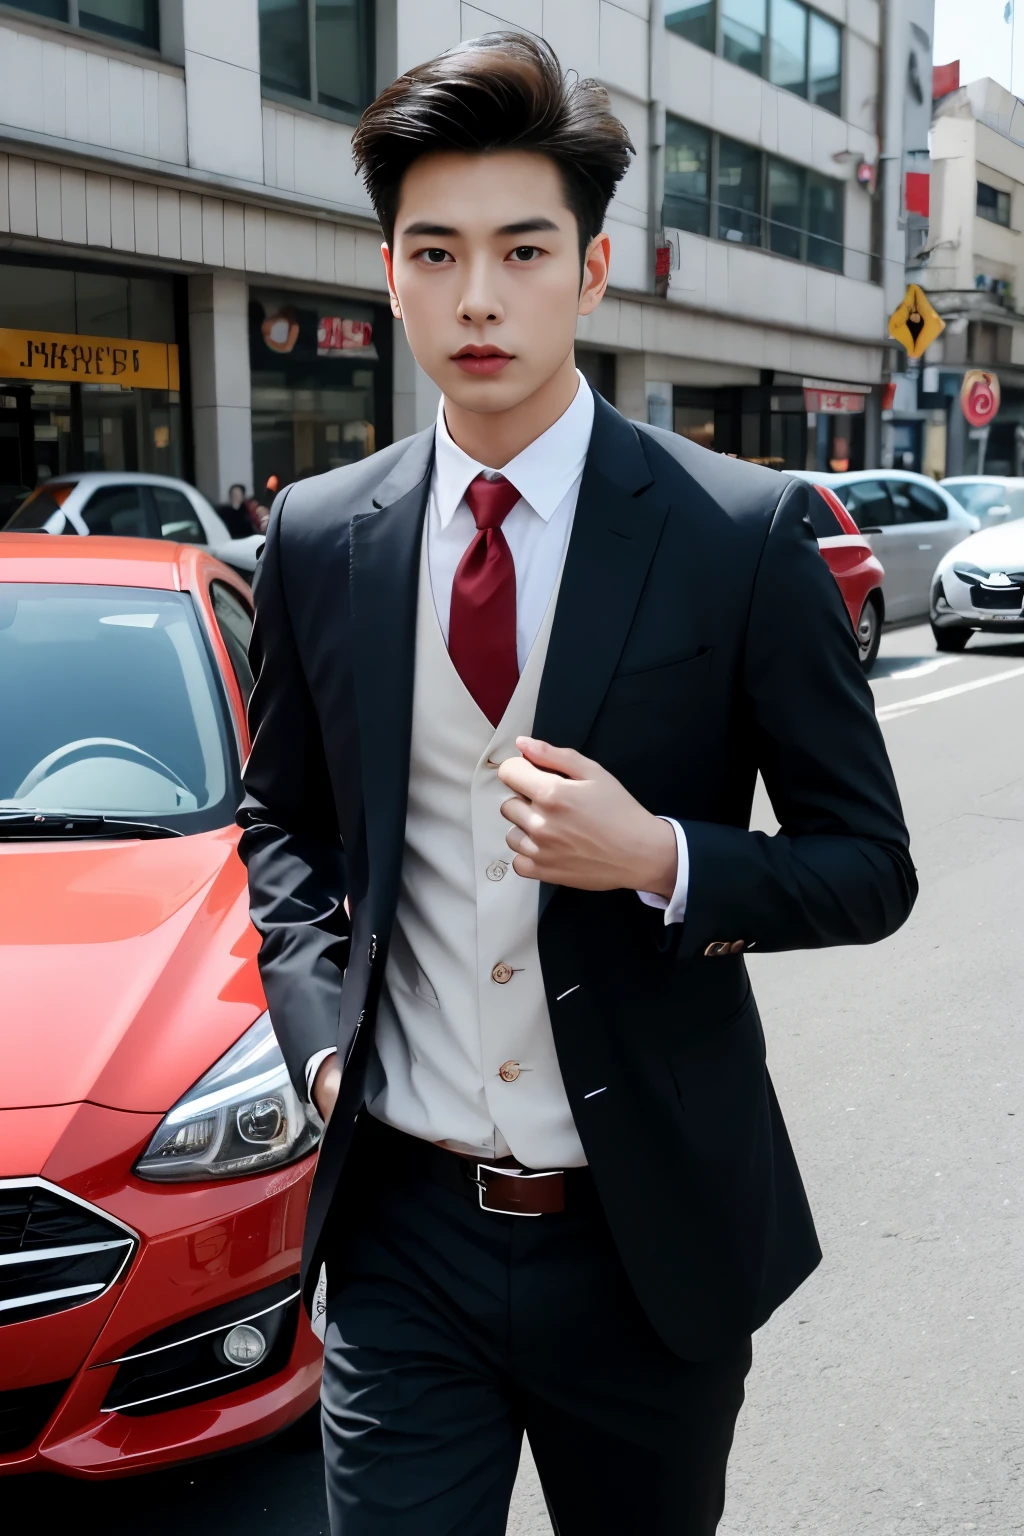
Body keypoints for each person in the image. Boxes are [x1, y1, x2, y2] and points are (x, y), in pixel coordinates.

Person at [238, 32, 916, 1535]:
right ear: (394, 275)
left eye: (523, 250)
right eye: (439, 252)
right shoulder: (319, 534)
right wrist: (318, 1042)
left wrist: (665, 854)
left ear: (594, 271)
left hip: (644, 1239)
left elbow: (870, 864)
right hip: (403, 1231)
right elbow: (280, 819)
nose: (480, 296)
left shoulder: (739, 536)